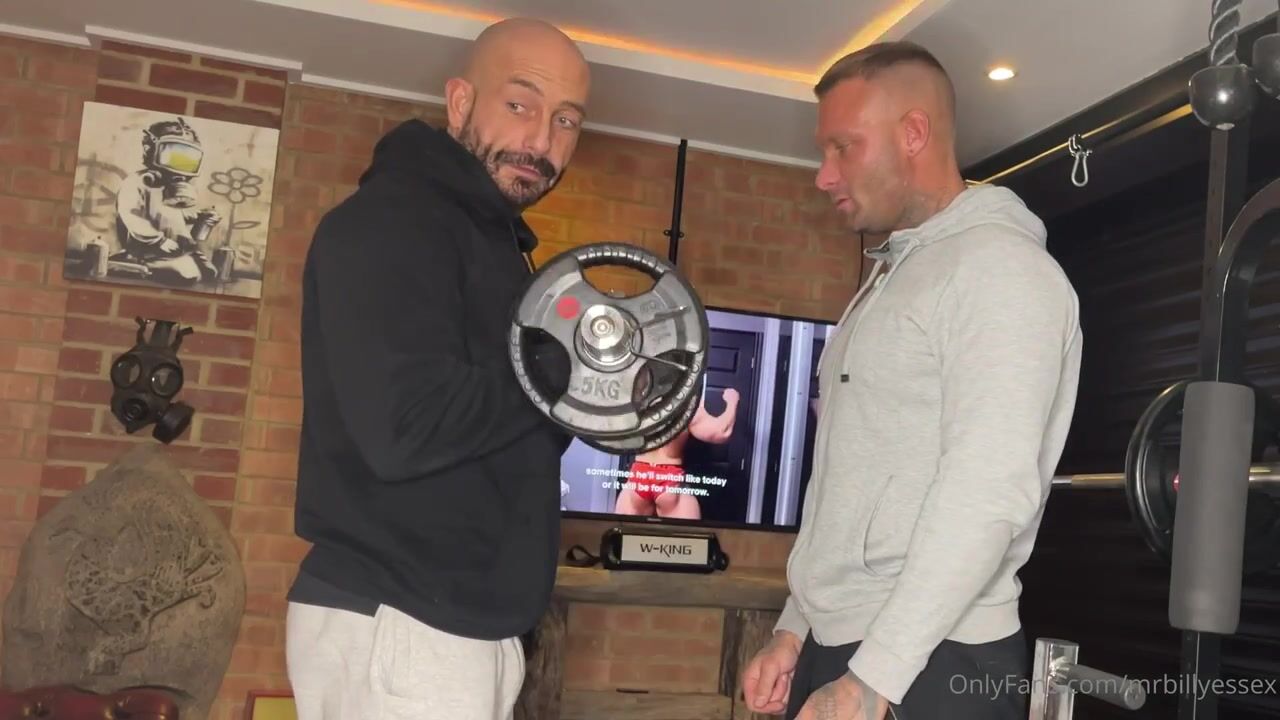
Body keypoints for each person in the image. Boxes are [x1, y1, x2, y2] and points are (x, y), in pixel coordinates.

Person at [741, 41, 1082, 720]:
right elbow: (846, 482)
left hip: (930, 660)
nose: (824, 175)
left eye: (843, 147)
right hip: (857, 647)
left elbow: (987, 492)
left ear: (914, 133)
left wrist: (875, 679)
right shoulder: (894, 275)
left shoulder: (1002, 272)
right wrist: (794, 629)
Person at [284, 17, 590, 720]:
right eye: (521, 104)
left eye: (566, 120)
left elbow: (506, 424)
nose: (542, 140)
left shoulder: (493, 248)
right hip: (405, 621)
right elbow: (405, 426)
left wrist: (588, 392)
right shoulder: (394, 222)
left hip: (454, 625)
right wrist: (553, 370)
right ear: (459, 102)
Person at [614, 387, 740, 519]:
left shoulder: (636, 402)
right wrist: (732, 401)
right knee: (683, 533)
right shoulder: (685, 404)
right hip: (669, 478)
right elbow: (721, 432)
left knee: (625, 531)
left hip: (640, 475)